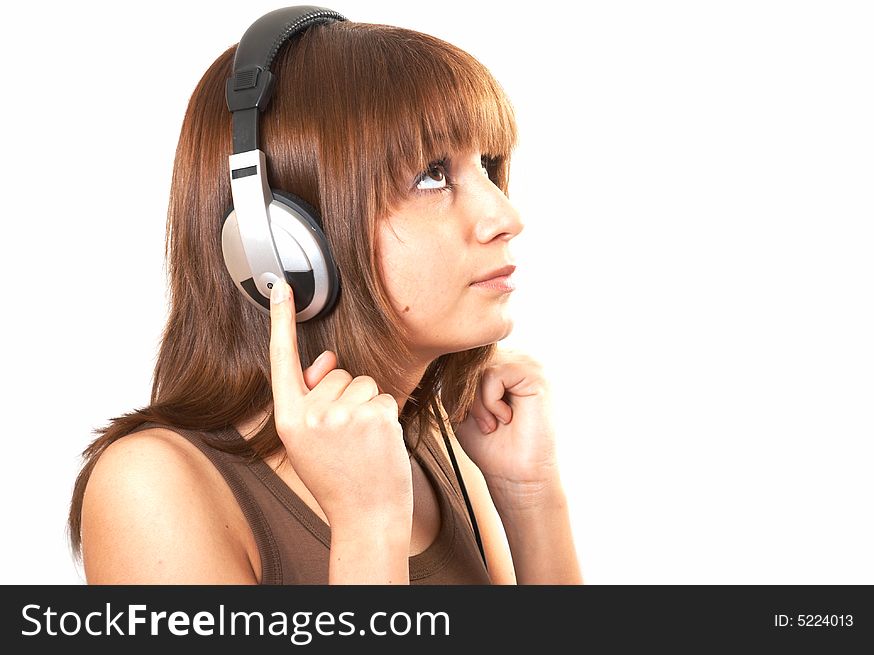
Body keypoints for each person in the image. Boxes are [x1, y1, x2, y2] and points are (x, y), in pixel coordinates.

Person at [67, 6, 582, 585]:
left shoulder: (438, 447)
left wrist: (529, 493)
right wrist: (367, 526)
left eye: (487, 166)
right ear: (277, 241)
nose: (505, 215)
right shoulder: (152, 487)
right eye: (431, 175)